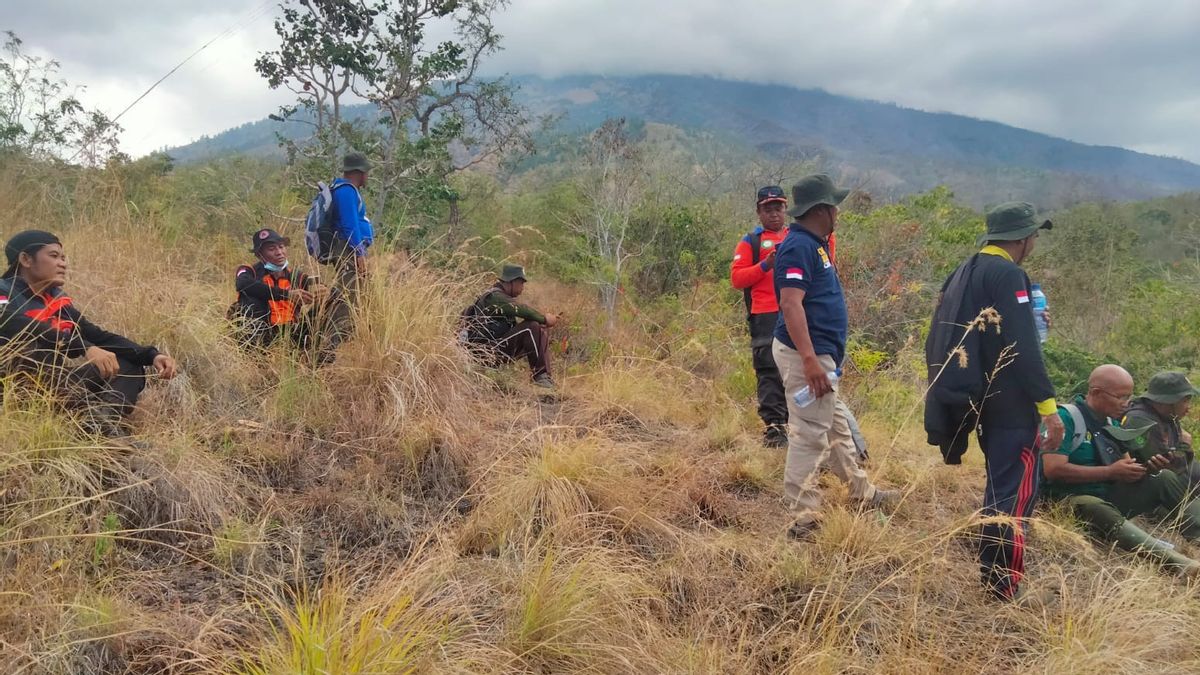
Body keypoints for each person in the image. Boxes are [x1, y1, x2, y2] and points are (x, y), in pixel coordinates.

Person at [924, 201, 1063, 601]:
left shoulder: (965, 270)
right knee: (1015, 494)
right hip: (1010, 404)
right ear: (1022, 238)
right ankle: (1004, 586)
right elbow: (1023, 348)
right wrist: (1048, 408)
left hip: (978, 398)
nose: (1035, 241)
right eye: (1035, 235)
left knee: (1000, 487)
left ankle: (993, 575)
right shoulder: (1009, 274)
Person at [771, 174, 897, 540]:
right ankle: (804, 518)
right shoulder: (798, 247)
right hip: (805, 357)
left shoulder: (816, 244)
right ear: (823, 209)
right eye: (835, 205)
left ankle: (862, 492)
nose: (838, 211)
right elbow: (790, 304)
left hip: (820, 356)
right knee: (809, 434)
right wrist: (810, 361)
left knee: (837, 426)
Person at [0, 229, 178, 434]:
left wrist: (152, 355)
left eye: (64, 258)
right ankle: (83, 418)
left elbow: (96, 335)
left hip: (55, 389)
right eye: (54, 256)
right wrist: (84, 347)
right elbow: (13, 323)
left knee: (128, 365)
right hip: (14, 392)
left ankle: (98, 422)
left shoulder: (59, 304)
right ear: (26, 259)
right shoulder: (3, 291)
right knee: (28, 350)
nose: (63, 263)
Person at [1042, 365, 1200, 575]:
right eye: (1121, 397)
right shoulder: (1066, 418)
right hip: (1070, 499)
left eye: (1129, 396)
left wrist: (1145, 470)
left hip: (1109, 494)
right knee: (1095, 506)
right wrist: (1110, 472)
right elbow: (1053, 469)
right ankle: (1179, 563)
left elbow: (1125, 466)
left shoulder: (1113, 423)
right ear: (1096, 393)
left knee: (1163, 478)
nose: (1126, 403)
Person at [730, 185, 791, 447]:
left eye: (778, 207)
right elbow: (737, 278)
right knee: (769, 371)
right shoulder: (750, 241)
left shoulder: (797, 236)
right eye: (768, 208)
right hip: (764, 313)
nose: (774, 213)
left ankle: (800, 425)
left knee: (798, 369)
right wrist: (765, 264)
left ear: (786, 209)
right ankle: (775, 429)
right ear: (759, 212)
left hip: (797, 311)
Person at [229, 228, 343, 362]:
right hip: (262, 333)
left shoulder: (297, 276)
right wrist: (287, 295)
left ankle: (322, 352)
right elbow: (243, 284)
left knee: (336, 297)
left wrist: (324, 292)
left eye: (281, 247)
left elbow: (318, 285)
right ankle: (254, 356)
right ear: (260, 254)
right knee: (250, 298)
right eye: (272, 249)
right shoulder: (249, 271)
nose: (279, 252)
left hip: (292, 334)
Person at [460, 265, 559, 388]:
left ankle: (544, 377)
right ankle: (541, 376)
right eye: (521, 283)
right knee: (532, 326)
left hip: (491, 349)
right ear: (512, 281)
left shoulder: (499, 297)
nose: (523, 287)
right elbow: (522, 310)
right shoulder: (495, 297)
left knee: (539, 329)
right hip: (485, 353)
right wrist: (545, 319)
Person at [1121, 371, 1199, 487]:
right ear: (1166, 401)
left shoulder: (1167, 415)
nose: (1188, 408)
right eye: (1185, 400)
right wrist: (1185, 445)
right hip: (1142, 487)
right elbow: (1171, 466)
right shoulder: (1139, 422)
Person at [328, 152, 374, 303]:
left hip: (349, 247)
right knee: (350, 293)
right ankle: (342, 326)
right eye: (366, 172)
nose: (367, 176)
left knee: (359, 290)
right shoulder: (346, 191)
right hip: (347, 248)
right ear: (359, 173)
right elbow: (350, 225)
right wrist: (359, 253)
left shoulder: (345, 189)